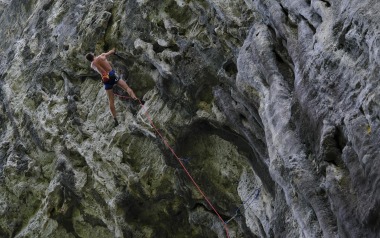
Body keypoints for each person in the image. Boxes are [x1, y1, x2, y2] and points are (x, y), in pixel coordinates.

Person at [85, 48, 137, 127]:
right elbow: (109, 53)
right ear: (93, 55)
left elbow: (97, 65)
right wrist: (113, 50)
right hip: (112, 74)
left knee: (111, 101)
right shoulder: (101, 56)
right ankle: (135, 98)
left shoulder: (92, 65)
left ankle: (115, 119)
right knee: (126, 88)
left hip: (106, 79)